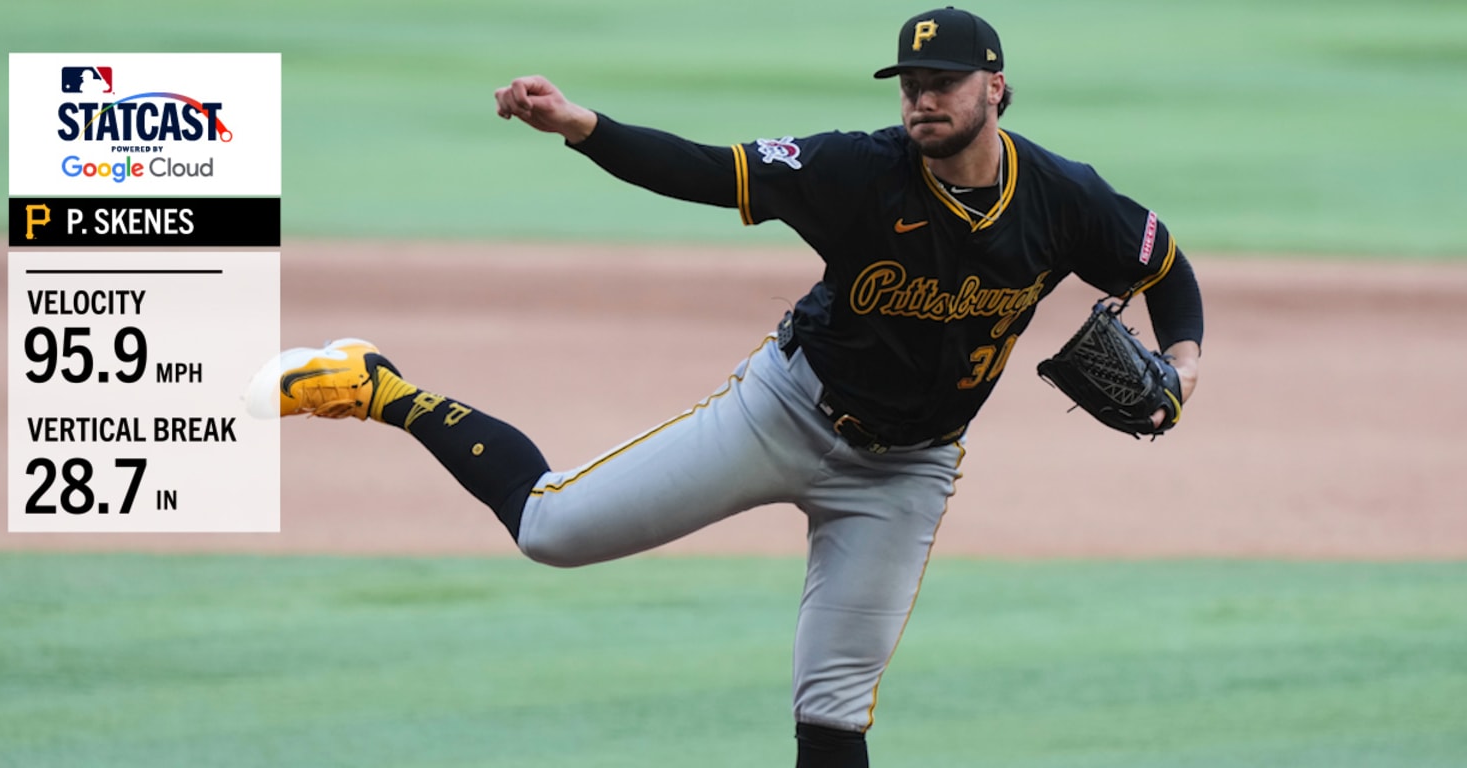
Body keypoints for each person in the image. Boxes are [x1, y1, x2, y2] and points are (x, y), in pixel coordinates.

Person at [247, 7, 1203, 766]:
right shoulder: (855, 169)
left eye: (942, 82)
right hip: (783, 413)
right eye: (911, 84)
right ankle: (378, 387)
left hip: (904, 476)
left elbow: (1163, 265)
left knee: (833, 715)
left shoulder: (1063, 196)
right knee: (550, 531)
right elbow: (710, 172)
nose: (922, 99)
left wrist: (1186, 361)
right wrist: (582, 126)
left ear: (995, 87)